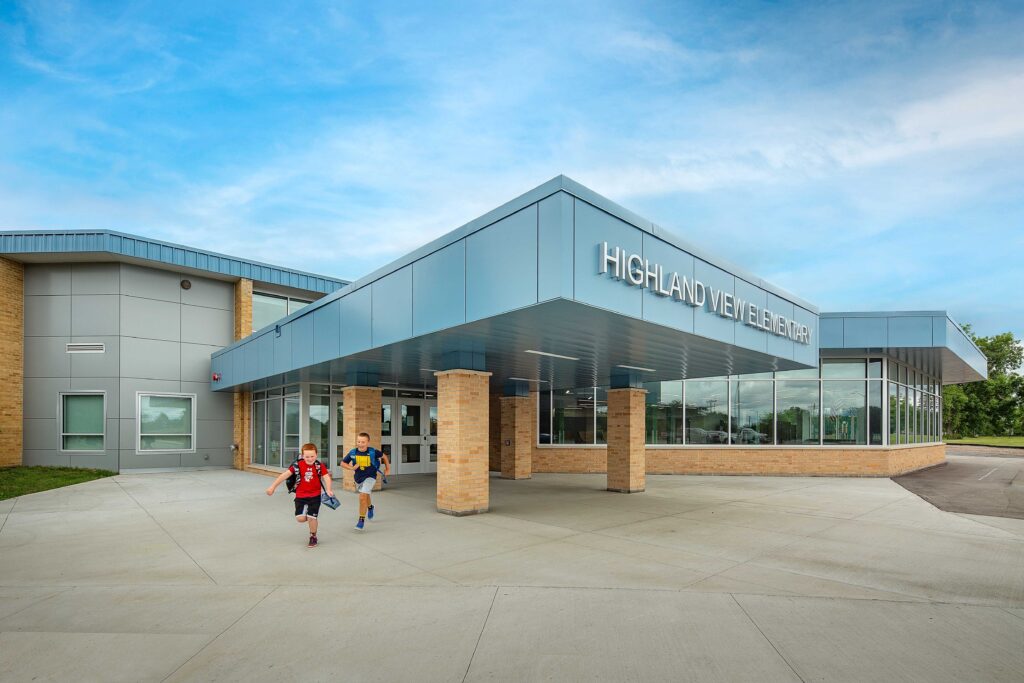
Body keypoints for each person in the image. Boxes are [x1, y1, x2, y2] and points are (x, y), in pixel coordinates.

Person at [266, 442, 334, 548]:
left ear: (316, 455)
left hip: (315, 496)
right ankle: (311, 517)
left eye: (312, 456)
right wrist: (272, 487)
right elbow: (284, 475)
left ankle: (313, 536)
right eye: (307, 456)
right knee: (300, 519)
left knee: (311, 517)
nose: (310, 458)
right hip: (300, 496)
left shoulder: (319, 465)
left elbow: (326, 477)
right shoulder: (298, 465)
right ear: (302, 456)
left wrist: (329, 489)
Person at [341, 432, 390, 531]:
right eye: (358, 441)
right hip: (358, 478)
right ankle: (370, 507)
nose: (360, 443)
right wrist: (351, 468)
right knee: (365, 496)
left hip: (370, 477)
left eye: (363, 442)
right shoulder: (353, 452)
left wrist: (387, 469)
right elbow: (342, 463)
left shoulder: (373, 452)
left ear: (368, 442)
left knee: (362, 496)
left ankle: (361, 520)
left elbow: (384, 456)